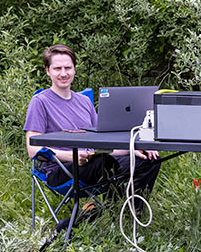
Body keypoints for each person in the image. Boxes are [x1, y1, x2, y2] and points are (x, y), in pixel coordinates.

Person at [23, 44, 159, 196]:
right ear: (48, 71)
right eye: (57, 68)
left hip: (95, 162)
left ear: (74, 69)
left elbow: (103, 145)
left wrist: (134, 148)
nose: (63, 73)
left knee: (150, 159)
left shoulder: (84, 101)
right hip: (60, 170)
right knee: (103, 163)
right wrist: (73, 157)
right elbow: (33, 150)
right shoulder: (40, 102)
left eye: (68, 68)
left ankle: (129, 215)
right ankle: (102, 211)